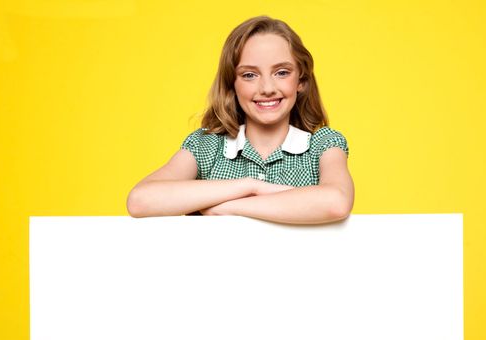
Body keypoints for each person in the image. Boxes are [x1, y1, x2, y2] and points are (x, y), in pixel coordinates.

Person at [127, 15, 354, 225]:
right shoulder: (206, 147)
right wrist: (252, 186)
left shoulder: (322, 144)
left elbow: (336, 202)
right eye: (249, 75)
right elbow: (141, 200)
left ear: (301, 81)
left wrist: (228, 207)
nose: (267, 88)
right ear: (231, 85)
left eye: (282, 72)